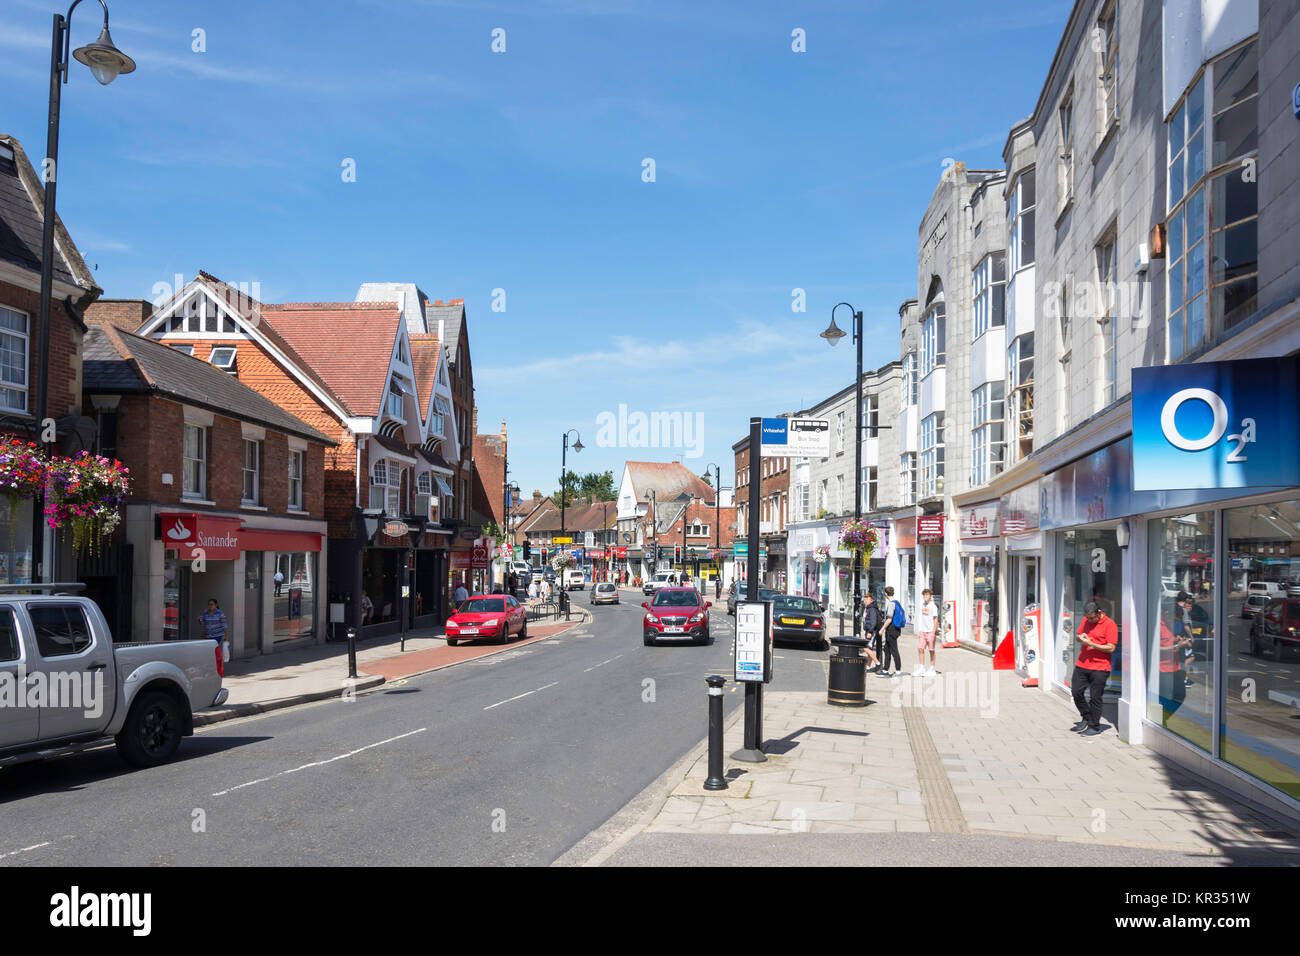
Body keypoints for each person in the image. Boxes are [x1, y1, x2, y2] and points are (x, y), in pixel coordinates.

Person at [1071, 601, 1119, 736]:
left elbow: (1111, 647)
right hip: (1082, 663)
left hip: (1100, 666)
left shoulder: (1110, 625)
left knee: (1095, 697)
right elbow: (1078, 635)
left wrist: (1092, 644)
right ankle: (1087, 717)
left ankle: (1095, 726)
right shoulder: (1086, 620)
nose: (1090, 620)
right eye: (1088, 618)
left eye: (1092, 618)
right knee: (1076, 692)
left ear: (1099, 612)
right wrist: (1081, 638)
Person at [878, 586, 903, 677]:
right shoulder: (897, 603)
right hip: (895, 629)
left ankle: (898, 670)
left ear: (885, 594)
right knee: (887, 649)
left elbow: (889, 619)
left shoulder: (891, 604)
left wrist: (882, 629)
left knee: (893, 650)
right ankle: (885, 670)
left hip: (891, 630)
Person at [914, 588, 939, 676]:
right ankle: (922, 667)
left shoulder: (933, 606)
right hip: (923, 631)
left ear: (930, 596)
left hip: (930, 631)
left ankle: (932, 668)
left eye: (927, 595)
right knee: (920, 648)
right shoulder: (923, 604)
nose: (925, 596)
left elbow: (936, 619)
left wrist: (933, 632)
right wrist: (920, 629)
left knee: (931, 650)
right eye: (924, 595)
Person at [858, 593, 883, 671]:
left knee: (866, 648)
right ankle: (868, 666)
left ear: (871, 600)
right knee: (870, 649)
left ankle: (878, 664)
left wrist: (870, 632)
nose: (865, 601)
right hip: (868, 630)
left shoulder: (872, 609)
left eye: (867, 599)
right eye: (864, 599)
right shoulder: (868, 608)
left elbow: (874, 621)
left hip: (871, 631)